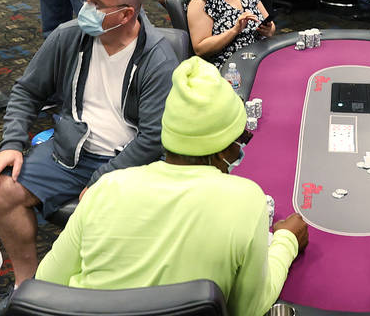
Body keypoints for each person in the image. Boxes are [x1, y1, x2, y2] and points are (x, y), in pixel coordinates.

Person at [34, 56, 308, 316]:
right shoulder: (247, 200)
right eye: (240, 139)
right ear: (220, 149)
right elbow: (249, 308)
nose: (239, 151)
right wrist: (287, 241)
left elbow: (46, 281)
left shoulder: (107, 188)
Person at [0, 0, 178, 301]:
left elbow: (152, 138)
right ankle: (25, 287)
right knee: (2, 189)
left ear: (126, 14)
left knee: (112, 215)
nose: (85, 7)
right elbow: (27, 92)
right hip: (71, 151)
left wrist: (103, 178)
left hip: (130, 162)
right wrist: (12, 144)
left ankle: (105, 295)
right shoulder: (68, 36)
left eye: (96, 3)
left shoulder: (158, 58)